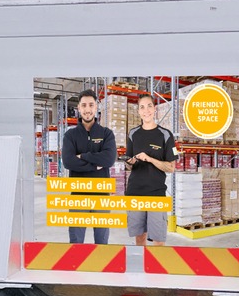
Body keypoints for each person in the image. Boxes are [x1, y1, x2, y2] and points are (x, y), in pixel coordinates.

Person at [60, 89, 117, 244]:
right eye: (84, 105)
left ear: (96, 107)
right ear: (78, 108)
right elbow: (68, 162)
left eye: (91, 105)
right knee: (76, 242)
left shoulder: (107, 134)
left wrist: (83, 156)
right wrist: (95, 164)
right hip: (79, 193)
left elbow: (109, 159)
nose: (87, 109)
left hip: (101, 194)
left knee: (102, 242)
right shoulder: (70, 136)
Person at [125, 94, 178, 245]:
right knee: (140, 236)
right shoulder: (133, 134)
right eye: (142, 107)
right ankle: (142, 266)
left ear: (155, 109)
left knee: (158, 239)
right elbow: (128, 165)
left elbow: (171, 167)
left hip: (156, 193)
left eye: (149, 106)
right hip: (135, 191)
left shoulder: (166, 135)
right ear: (138, 111)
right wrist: (130, 162)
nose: (146, 110)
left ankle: (156, 267)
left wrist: (149, 159)